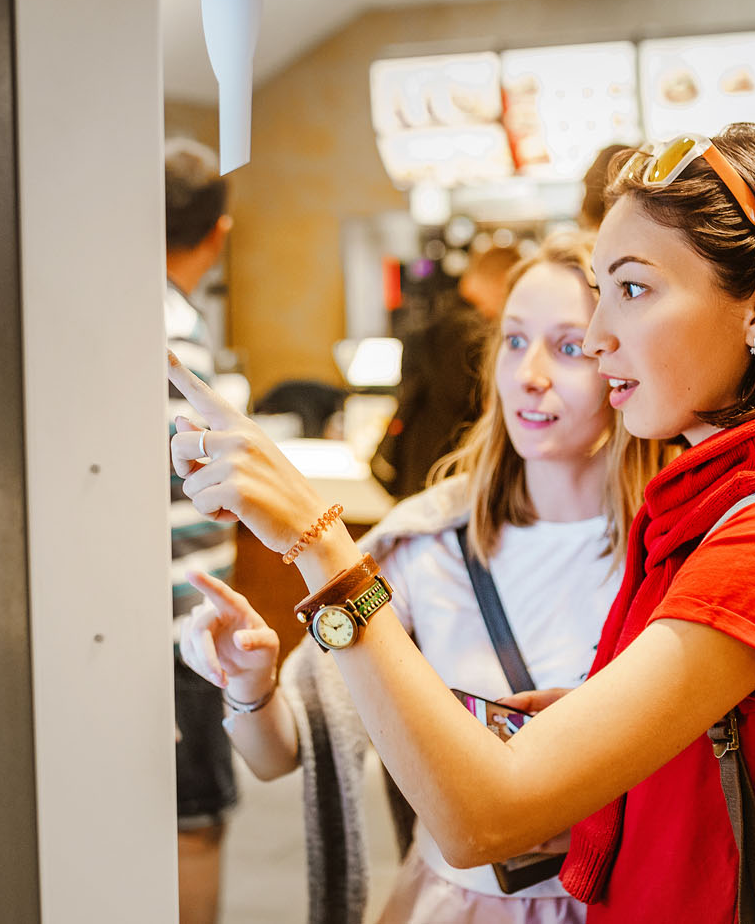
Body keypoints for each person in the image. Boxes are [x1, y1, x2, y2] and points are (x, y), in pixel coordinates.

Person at [168, 124, 755, 922]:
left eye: (633, 291)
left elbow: (484, 814)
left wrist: (318, 547)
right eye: (596, 292)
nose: (598, 334)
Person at [180, 232, 669, 924]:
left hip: (625, 902)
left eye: (568, 348)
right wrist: (249, 684)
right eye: (514, 340)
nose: (530, 374)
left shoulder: (675, 546)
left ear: (619, 365)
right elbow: (289, 749)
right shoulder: (429, 542)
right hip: (457, 904)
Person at [164, 138, 237, 924]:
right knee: (195, 822)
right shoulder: (177, 334)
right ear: (217, 232)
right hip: (182, 614)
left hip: (141, 614)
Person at [373, 243, 519, 499]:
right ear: (503, 282)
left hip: (415, 472)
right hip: (448, 479)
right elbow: (489, 408)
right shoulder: (476, 336)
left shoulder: (434, 320)